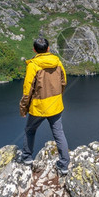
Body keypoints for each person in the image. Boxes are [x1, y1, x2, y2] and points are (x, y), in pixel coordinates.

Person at [19, 38, 70, 175]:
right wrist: (58, 97)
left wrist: (24, 108)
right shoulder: (57, 62)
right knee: (59, 133)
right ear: (48, 49)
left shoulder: (33, 65)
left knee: (30, 130)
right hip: (55, 105)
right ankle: (64, 165)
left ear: (34, 49)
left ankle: (27, 158)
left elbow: (27, 89)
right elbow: (63, 81)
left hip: (39, 106)